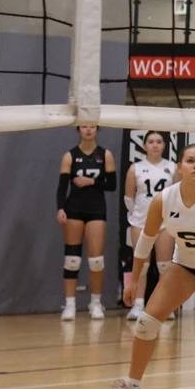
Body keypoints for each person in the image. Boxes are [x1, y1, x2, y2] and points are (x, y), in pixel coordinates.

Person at [94, 144, 195, 389]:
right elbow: (145, 242)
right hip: (187, 264)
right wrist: (134, 281)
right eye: (190, 160)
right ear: (179, 166)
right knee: (146, 322)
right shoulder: (164, 199)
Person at [57, 123, 116, 320]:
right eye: (84, 127)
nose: (88, 130)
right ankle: (70, 304)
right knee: (72, 260)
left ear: (98, 129)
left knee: (96, 260)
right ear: (78, 129)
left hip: (96, 210)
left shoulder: (105, 155)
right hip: (74, 208)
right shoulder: (70, 155)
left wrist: (92, 182)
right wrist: (60, 208)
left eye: (92, 127)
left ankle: (96, 302)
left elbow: (112, 185)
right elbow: (62, 186)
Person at [122, 131, 176, 320]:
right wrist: (139, 214)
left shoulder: (172, 167)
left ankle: (164, 306)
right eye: (151, 141)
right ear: (144, 145)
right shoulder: (135, 168)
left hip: (165, 224)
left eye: (158, 141)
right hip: (140, 222)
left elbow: (177, 195)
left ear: (164, 145)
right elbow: (128, 198)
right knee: (141, 266)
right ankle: (138, 305)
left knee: (164, 266)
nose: (155, 145)